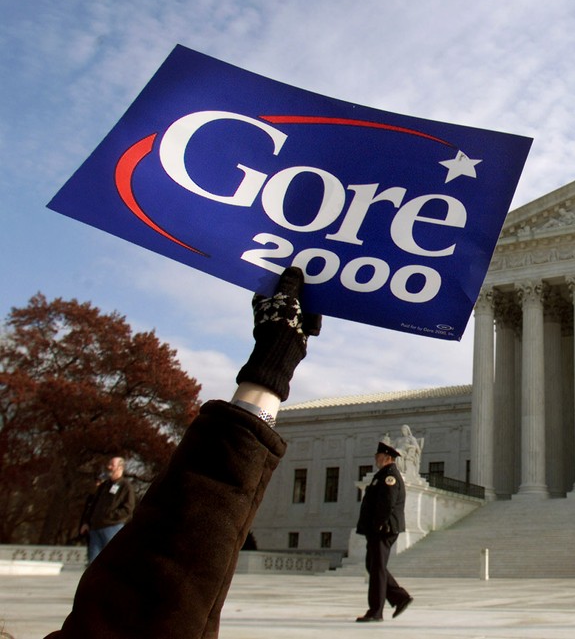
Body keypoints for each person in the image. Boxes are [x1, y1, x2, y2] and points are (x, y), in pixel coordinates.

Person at [46, 266, 321, 639]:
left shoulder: (122, 489)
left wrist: (269, 368)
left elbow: (148, 591)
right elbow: (160, 586)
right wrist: (270, 370)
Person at [356, 440, 414, 622]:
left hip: (383, 529)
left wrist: (379, 524)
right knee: (373, 566)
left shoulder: (390, 476)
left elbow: (387, 503)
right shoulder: (382, 474)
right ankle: (400, 598)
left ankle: (376, 611)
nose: (375, 459)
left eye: (378, 456)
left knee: (377, 568)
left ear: (387, 457)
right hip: (378, 529)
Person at [79, 456, 135, 564]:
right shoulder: (103, 486)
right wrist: (86, 522)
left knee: (112, 562)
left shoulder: (126, 486)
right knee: (93, 563)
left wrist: (109, 516)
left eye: (112, 465)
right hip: (95, 529)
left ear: (120, 468)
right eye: (108, 465)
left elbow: (128, 509)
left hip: (112, 528)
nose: (108, 467)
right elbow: (93, 506)